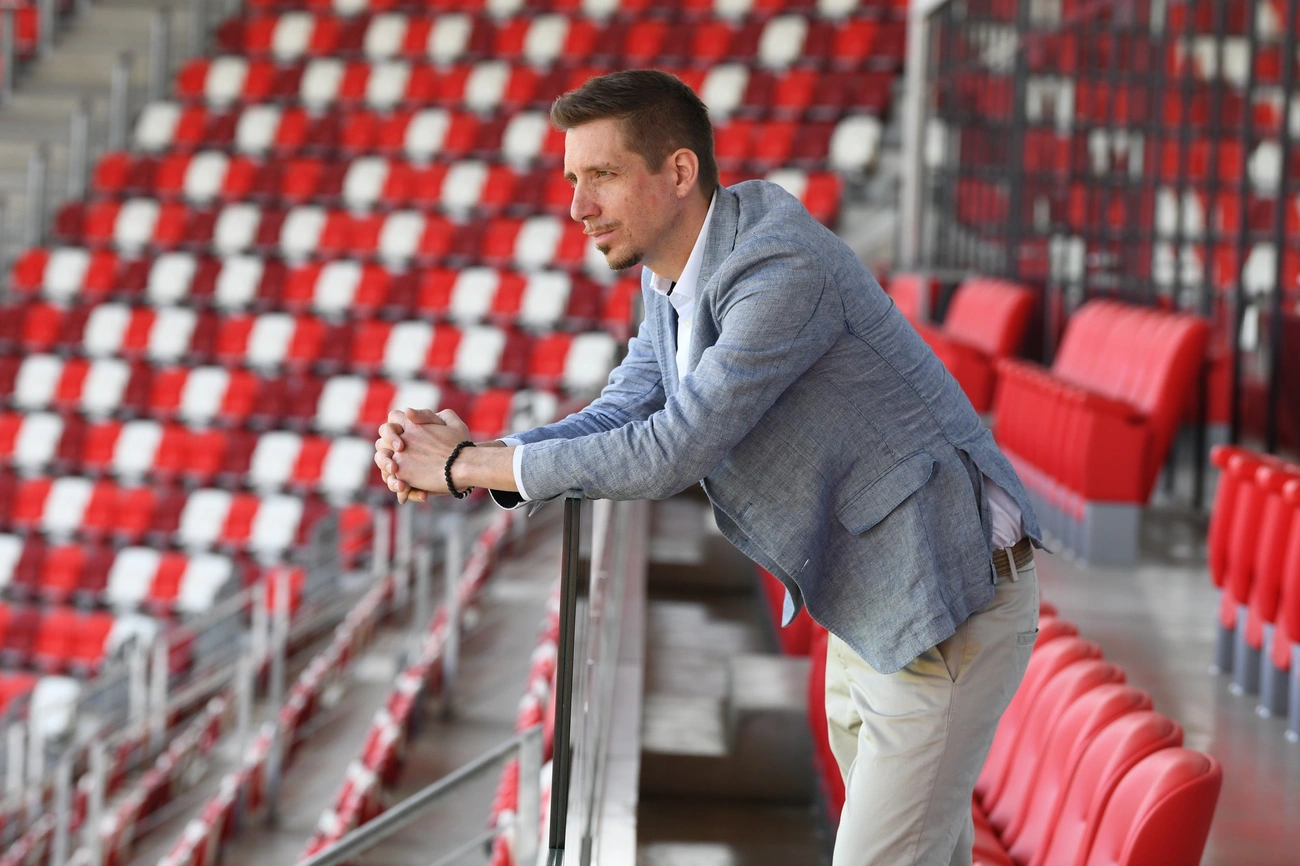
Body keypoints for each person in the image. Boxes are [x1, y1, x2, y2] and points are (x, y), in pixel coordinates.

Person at [373, 69, 1042, 866]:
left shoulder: (779, 267)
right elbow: (624, 408)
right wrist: (481, 456)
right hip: (874, 598)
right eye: (572, 180)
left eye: (602, 175)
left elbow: (673, 449)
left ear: (679, 172)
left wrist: (464, 466)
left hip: (945, 597)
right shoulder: (671, 274)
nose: (578, 207)